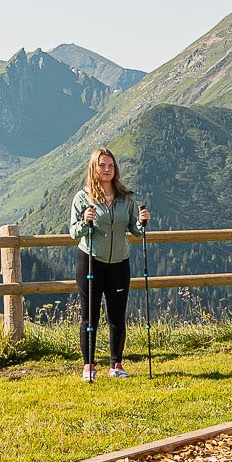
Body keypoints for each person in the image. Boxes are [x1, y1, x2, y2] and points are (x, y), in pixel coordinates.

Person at [70, 147, 151, 381]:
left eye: (111, 166)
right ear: (93, 168)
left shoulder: (126, 198)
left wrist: (142, 222)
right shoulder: (83, 197)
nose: (107, 169)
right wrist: (85, 222)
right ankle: (89, 366)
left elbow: (135, 231)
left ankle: (116, 364)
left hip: (119, 263)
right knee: (90, 317)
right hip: (90, 261)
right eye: (102, 165)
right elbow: (73, 232)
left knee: (117, 316)